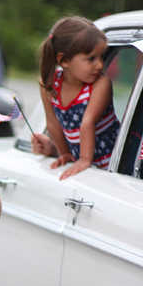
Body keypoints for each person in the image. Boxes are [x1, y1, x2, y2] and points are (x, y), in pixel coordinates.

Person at [31, 16, 119, 180]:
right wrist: (64, 153)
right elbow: (52, 122)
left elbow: (88, 122)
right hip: (82, 167)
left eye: (101, 57)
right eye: (91, 58)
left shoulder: (101, 84)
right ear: (64, 60)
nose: (100, 65)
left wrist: (85, 160)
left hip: (111, 166)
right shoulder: (49, 84)